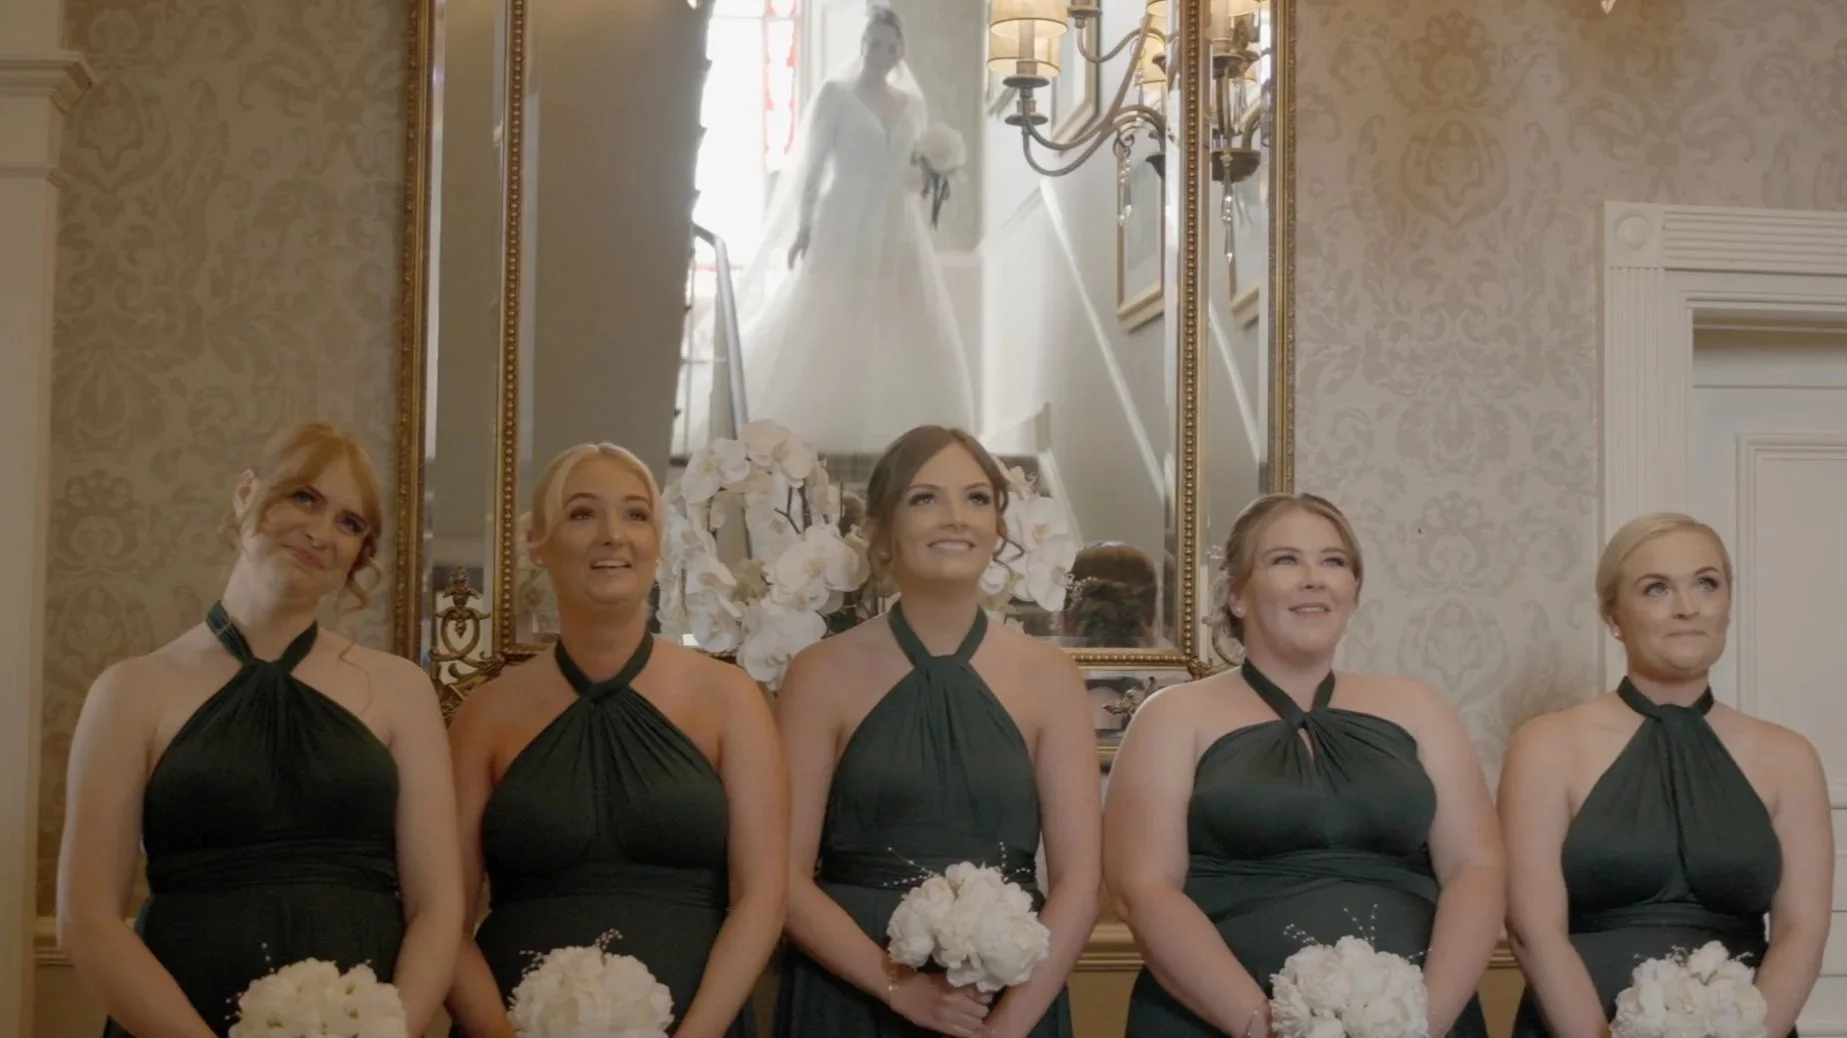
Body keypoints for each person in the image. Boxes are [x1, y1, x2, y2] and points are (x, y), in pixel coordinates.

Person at [56, 422, 463, 1037]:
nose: (320, 533)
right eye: (304, 497)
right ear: (247, 492)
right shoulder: (129, 691)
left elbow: (438, 907)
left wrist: (389, 1031)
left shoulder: (402, 689)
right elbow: (87, 923)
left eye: (350, 523)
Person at [1105, 492, 1501, 1038]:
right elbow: (1144, 889)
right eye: (1285, 560)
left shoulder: (1420, 708)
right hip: (1215, 1022)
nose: (1314, 579)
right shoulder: (1171, 716)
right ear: (1237, 594)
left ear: (1353, 589)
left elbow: (1475, 868)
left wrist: (1424, 1023)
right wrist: (1264, 1027)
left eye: (1333, 561)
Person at [444, 443, 787, 1038]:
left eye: (635, 514)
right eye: (582, 513)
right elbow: (440, 914)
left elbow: (763, 897)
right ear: (537, 543)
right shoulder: (484, 715)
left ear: (658, 542)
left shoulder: (730, 698)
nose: (612, 534)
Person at [773, 425, 1098, 1038]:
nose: (955, 517)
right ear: (880, 531)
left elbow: (1080, 884)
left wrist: (1009, 1026)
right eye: (925, 498)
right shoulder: (819, 674)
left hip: (1008, 998)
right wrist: (898, 990)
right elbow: (781, 878)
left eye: (976, 498)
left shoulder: (1051, 678)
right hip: (852, 994)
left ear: (998, 527)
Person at [1500, 513, 1830, 1038]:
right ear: (1613, 616)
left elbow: (1802, 931)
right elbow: (1532, 930)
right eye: (1656, 588)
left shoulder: (1789, 758)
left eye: (1707, 583)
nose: (1687, 607)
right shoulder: (1546, 746)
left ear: (1728, 604)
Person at [714, 5, 976, 454]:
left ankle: (898, 428)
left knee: (898, 319)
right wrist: (804, 226)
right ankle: (817, 420)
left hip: (897, 222)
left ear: (900, 52)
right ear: (862, 46)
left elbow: (912, 170)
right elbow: (813, 166)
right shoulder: (836, 95)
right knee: (835, 314)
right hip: (845, 216)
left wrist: (934, 174)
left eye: (888, 46)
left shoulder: (913, 105)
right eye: (872, 43)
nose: (879, 52)